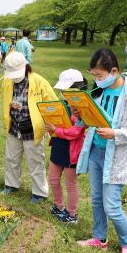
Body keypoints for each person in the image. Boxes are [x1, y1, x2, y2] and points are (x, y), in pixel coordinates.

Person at [73, 49, 127, 253]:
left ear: (114, 71)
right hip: (96, 153)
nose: (96, 80)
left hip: (116, 157)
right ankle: (100, 238)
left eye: (99, 76)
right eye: (94, 76)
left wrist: (115, 133)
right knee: (97, 200)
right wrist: (80, 115)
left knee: (112, 205)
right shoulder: (98, 91)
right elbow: (90, 120)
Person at [1, 52, 58, 203]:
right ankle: (11, 184)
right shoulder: (7, 82)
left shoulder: (40, 82)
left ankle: (40, 192)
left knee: (35, 160)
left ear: (26, 66)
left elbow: (53, 105)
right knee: (11, 157)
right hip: (14, 126)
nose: (14, 77)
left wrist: (52, 126)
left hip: (32, 128)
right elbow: (6, 99)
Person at [45, 69, 87, 223]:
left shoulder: (83, 108)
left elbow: (77, 131)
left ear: (77, 87)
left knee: (70, 184)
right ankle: (58, 206)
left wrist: (56, 130)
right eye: (63, 90)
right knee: (53, 179)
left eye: (67, 89)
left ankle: (72, 214)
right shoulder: (61, 104)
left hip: (72, 151)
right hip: (58, 146)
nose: (64, 93)